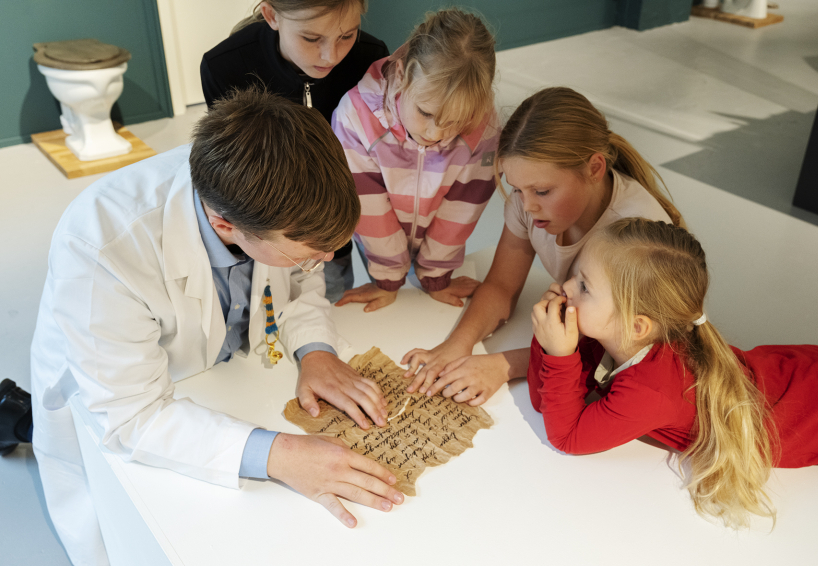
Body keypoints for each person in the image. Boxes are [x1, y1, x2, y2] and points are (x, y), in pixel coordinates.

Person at [30, 88, 404, 566]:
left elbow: (299, 279)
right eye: (312, 251)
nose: (326, 259)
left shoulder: (270, 190)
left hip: (222, 376)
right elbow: (134, 415)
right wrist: (281, 455)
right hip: (120, 390)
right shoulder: (102, 244)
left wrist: (316, 351)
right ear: (225, 225)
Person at [529, 218, 818, 528]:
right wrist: (549, 341)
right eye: (577, 275)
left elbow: (566, 437)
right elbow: (544, 401)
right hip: (812, 376)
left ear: (637, 325)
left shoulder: (650, 390)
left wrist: (558, 354)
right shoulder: (619, 336)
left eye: (584, 286)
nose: (566, 286)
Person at [402, 87, 684, 404]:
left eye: (543, 191)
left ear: (594, 169)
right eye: (516, 189)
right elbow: (501, 286)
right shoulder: (528, 203)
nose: (527, 206)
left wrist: (506, 365)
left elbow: (622, 350)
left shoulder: (635, 233)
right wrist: (457, 345)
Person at [201, 0, 390, 303]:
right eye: (311, 38)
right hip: (275, 227)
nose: (331, 56)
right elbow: (236, 170)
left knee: (333, 293)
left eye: (346, 36)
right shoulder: (225, 65)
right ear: (271, 15)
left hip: (344, 213)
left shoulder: (370, 58)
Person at [331, 8, 500, 312]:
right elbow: (370, 211)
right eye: (425, 112)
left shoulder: (483, 127)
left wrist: (436, 275)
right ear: (401, 75)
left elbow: (463, 209)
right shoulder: (354, 118)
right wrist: (387, 278)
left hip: (438, 246)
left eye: (456, 121)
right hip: (376, 244)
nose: (436, 133)